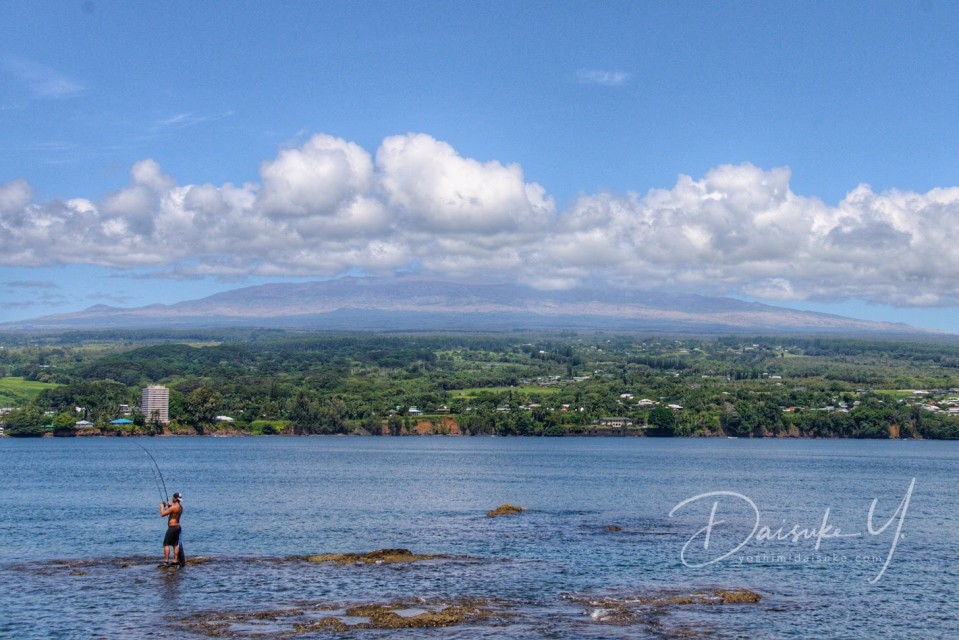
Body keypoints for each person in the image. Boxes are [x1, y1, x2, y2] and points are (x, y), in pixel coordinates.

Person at [159, 492, 183, 566]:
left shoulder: (173, 507)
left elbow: (162, 514)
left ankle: (166, 561)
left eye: (173, 497)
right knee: (175, 544)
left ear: (175, 499)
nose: (172, 498)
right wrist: (170, 506)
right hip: (178, 527)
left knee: (166, 544)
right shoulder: (180, 507)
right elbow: (174, 512)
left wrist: (162, 506)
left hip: (172, 527)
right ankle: (175, 561)